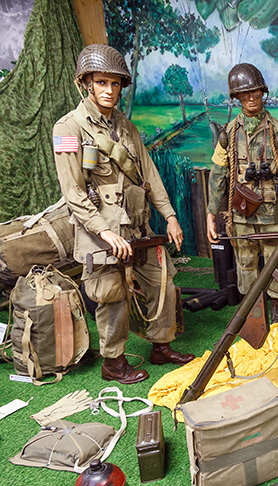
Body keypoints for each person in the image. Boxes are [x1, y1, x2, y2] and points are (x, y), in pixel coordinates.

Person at [53, 44, 195, 384]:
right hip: (100, 232)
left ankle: (161, 345)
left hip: (137, 227)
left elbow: (149, 175)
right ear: (86, 83)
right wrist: (103, 231)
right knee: (112, 296)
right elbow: (73, 192)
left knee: (163, 282)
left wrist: (170, 215)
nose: (109, 90)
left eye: (115, 84)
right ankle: (113, 363)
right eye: (101, 82)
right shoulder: (68, 129)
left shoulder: (126, 127)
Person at [207, 64, 278, 323]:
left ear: (263, 92)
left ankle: (276, 311)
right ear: (236, 97)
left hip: (273, 213)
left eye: (256, 92)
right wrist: (210, 213)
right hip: (241, 215)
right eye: (244, 93)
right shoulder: (228, 134)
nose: (251, 98)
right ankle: (254, 316)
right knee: (245, 265)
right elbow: (218, 173)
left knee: (275, 264)